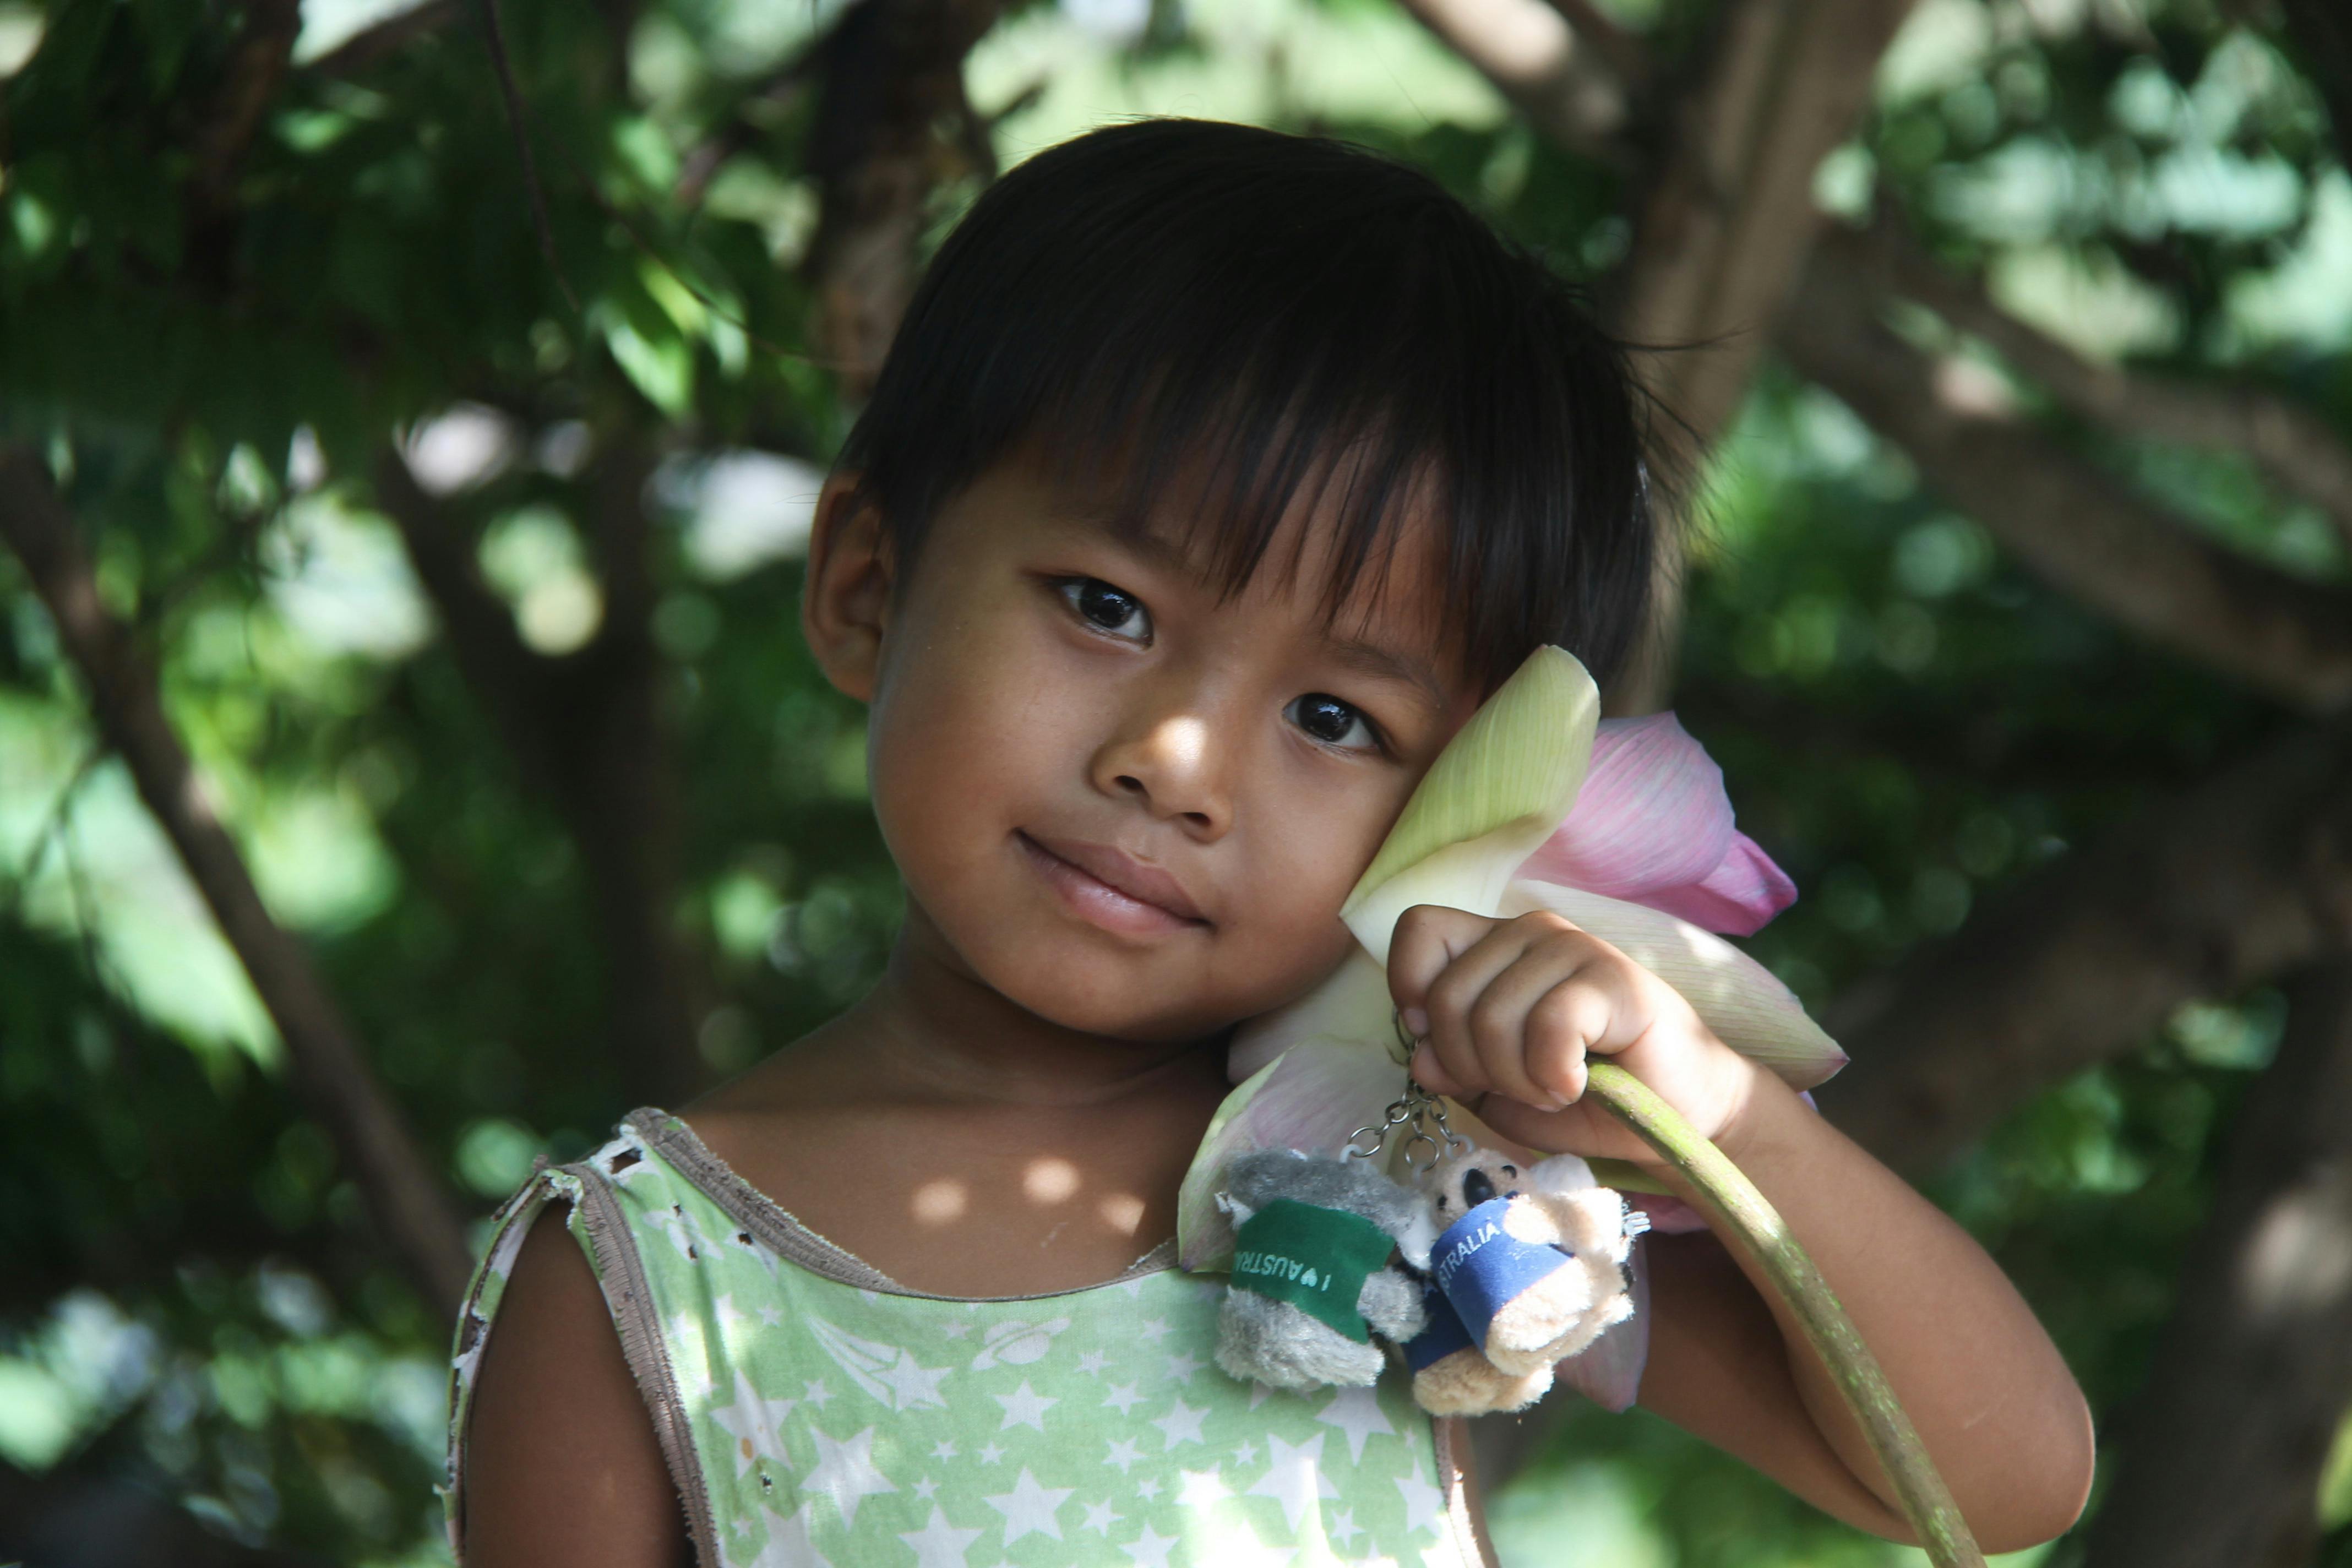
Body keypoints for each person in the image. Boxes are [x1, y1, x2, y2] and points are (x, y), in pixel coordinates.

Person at [447, 118, 2094, 1567]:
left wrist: (1728, 1120)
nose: (1175, 764)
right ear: (866, 585)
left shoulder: (1430, 1155)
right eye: (1107, 607)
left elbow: (2002, 1480)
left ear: (1450, 808)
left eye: (1335, 721)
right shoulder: (642, 1285)